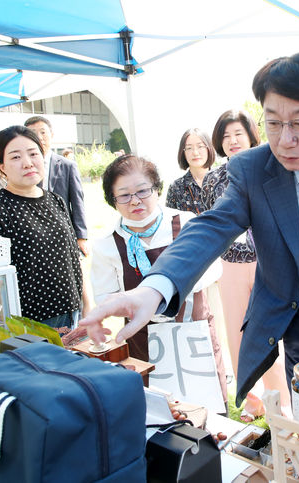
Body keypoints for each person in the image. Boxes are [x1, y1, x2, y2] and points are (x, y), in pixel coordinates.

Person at [81, 52, 299, 416]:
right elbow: (211, 227)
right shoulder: (254, 170)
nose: (285, 139)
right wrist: (153, 288)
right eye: (273, 123)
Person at [91, 154, 226, 401]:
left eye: (143, 191)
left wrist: (165, 291)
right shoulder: (107, 244)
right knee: (159, 415)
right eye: (124, 195)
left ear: (157, 189)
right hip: (143, 343)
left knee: (207, 412)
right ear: (112, 200)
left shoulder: (186, 224)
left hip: (194, 335)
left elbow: (214, 269)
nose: (135, 201)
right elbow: (104, 295)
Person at [204, 109, 291, 417]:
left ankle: (281, 400)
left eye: (238, 133)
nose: (232, 140)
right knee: (236, 332)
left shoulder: (272, 167)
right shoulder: (213, 177)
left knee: (270, 330)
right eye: (226, 136)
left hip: (269, 260)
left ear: (252, 134)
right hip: (231, 264)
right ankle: (251, 399)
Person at [0, 126, 83, 328]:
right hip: (33, 322)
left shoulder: (55, 200)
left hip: (72, 311)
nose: (27, 163)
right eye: (15, 157)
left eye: (33, 154)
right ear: (1, 166)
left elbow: (72, 256)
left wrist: (87, 304)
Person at [24, 116, 92, 316]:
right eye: (33, 133)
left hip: (65, 231)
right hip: (37, 234)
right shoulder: (25, 169)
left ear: (51, 135)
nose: (39, 137)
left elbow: (77, 201)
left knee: (75, 274)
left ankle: (82, 309)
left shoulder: (66, 165)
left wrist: (81, 236)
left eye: (43, 132)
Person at [165, 128, 215, 214]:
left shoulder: (223, 179)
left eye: (200, 146)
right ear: (183, 152)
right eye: (189, 148)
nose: (195, 152)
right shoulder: (176, 188)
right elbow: (172, 222)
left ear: (208, 148)